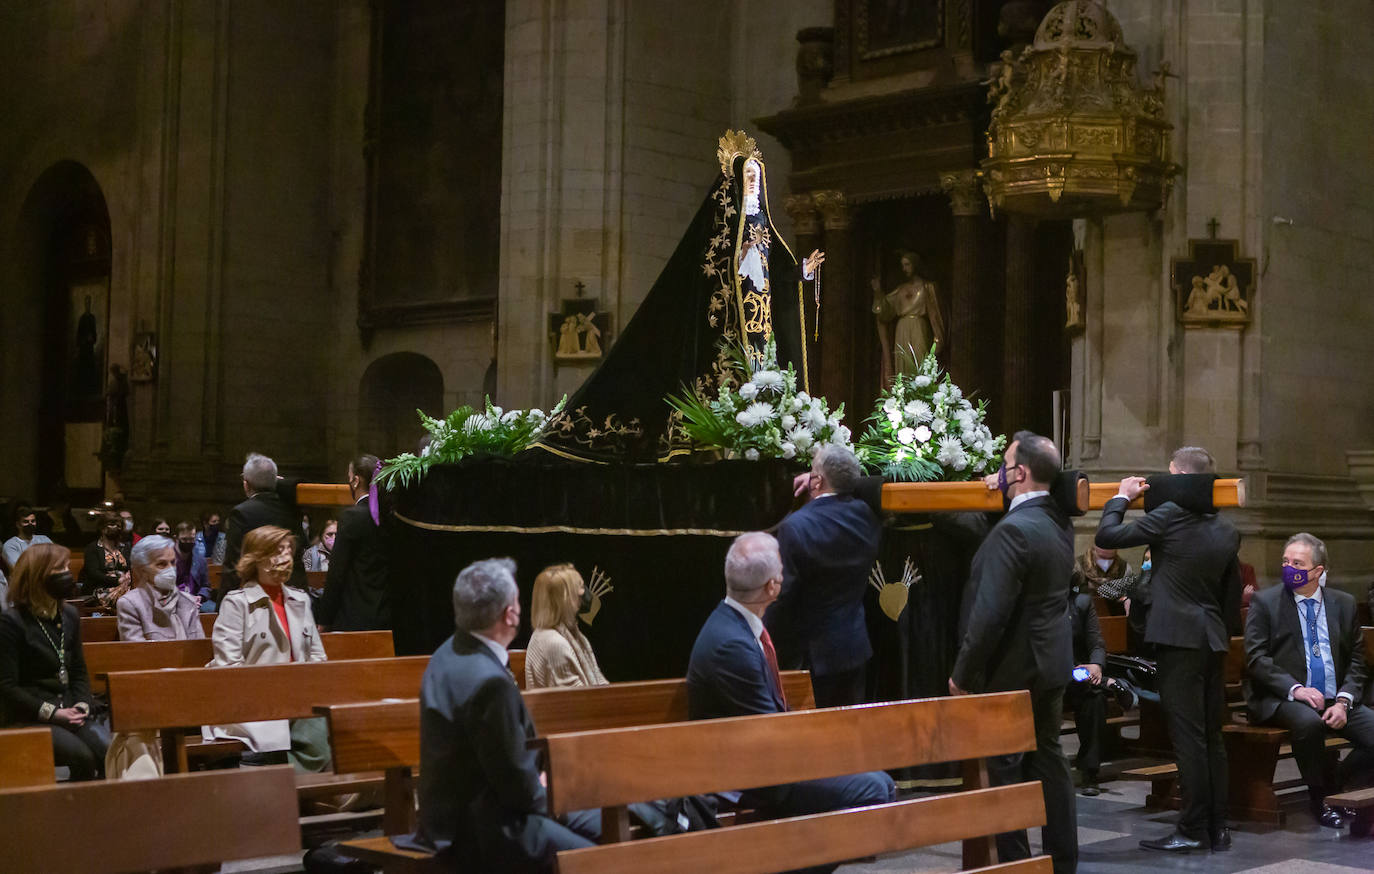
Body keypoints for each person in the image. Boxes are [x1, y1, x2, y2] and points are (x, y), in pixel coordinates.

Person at [687, 531, 895, 861]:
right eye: (781, 570)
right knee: (873, 790)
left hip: (763, 759)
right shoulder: (731, 646)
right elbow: (770, 736)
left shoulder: (736, 624)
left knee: (880, 784)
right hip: (748, 777)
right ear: (772, 586)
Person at [1095, 445, 1241, 853]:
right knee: (1211, 737)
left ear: (1177, 476)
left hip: (1178, 639)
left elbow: (1107, 536)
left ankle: (1193, 829)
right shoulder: (1227, 529)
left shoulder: (1170, 516)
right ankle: (1218, 826)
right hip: (1212, 639)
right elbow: (1229, 596)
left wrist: (1121, 497)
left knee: (1188, 739)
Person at [414, 558, 599, 870]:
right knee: (604, 856)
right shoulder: (489, 682)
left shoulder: (446, 654)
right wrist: (557, 792)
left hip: (449, 822)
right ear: (510, 614)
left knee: (603, 817)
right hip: (487, 832)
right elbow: (519, 791)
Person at [950, 431, 1077, 874]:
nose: (999, 472)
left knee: (1002, 769)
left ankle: (1015, 864)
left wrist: (963, 674)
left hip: (1012, 667)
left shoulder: (1014, 532)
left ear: (1019, 472)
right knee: (1050, 760)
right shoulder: (1059, 521)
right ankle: (1062, 862)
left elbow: (990, 616)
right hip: (1052, 661)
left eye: (1005, 465)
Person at [1244, 533, 1374, 829]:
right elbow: (1256, 658)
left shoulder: (1343, 603)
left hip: (1334, 697)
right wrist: (1297, 689)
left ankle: (1337, 781)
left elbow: (1356, 659)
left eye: (1298, 563)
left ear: (1318, 571)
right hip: (1281, 697)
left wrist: (1343, 700)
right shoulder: (1266, 602)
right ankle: (1320, 797)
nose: (1289, 567)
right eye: (1286, 561)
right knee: (1308, 723)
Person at [764, 444, 881, 707]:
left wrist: (763, 642)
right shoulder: (869, 516)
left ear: (817, 481)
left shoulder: (796, 527)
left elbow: (783, 598)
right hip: (854, 648)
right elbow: (871, 485)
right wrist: (825, 480)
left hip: (813, 658)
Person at [206, 525, 329, 771]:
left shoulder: (300, 599)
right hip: (255, 704)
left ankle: (325, 790)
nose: (285, 557)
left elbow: (317, 657)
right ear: (257, 558)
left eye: (287, 550)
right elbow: (228, 668)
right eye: (276, 551)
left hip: (299, 700)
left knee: (330, 724)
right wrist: (276, 695)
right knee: (289, 732)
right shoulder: (237, 604)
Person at [0, 544, 109, 780]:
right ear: (39, 576)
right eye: (60, 569)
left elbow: (79, 670)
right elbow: (7, 686)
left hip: (70, 709)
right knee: (82, 757)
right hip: (28, 717)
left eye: (67, 567)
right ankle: (72, 812)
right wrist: (52, 713)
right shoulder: (12, 622)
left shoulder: (69, 615)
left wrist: (82, 704)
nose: (68, 574)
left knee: (107, 751)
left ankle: (100, 811)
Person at [316, 454, 391, 632]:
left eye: (349, 478)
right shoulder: (392, 515)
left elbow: (337, 573)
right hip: (389, 614)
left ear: (355, 481)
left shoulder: (352, 517)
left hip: (356, 616)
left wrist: (325, 619)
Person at [220, 452, 307, 594]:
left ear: (246, 485)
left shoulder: (241, 513)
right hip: (293, 590)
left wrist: (222, 603)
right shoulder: (292, 509)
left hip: (258, 592)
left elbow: (234, 564)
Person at [526, 564, 607, 689]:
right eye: (580, 587)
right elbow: (577, 700)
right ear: (564, 598)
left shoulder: (573, 634)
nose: (584, 592)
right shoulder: (554, 643)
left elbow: (599, 681)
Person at [116, 535, 205, 641]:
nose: (171, 569)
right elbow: (137, 652)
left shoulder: (188, 601)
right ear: (143, 570)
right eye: (162, 564)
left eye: (172, 562)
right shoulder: (130, 604)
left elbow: (199, 647)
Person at [1067, 584, 1109, 796]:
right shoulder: (1035, 601)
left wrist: (1096, 664)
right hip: (1045, 675)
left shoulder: (1081, 602)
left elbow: (1096, 643)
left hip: (1075, 675)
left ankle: (1090, 771)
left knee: (1094, 697)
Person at [80, 510, 132, 603]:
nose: (115, 527)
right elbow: (93, 573)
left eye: (118, 525)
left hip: (125, 586)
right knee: (127, 599)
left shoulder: (125, 547)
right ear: (102, 527)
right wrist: (117, 581)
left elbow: (131, 567)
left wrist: (129, 575)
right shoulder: (93, 548)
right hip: (100, 588)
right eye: (112, 524)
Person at [1070, 543, 1132, 614]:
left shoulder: (1123, 568)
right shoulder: (1077, 567)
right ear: (1093, 551)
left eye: (1110, 558)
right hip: (1082, 615)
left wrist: (1126, 599)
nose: (1106, 563)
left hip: (1113, 617)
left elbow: (1126, 595)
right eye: (1102, 557)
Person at [172, 521, 215, 611]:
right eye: (184, 539)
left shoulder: (199, 559)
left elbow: (206, 586)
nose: (188, 542)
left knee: (215, 609)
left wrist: (200, 597)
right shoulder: (168, 559)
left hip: (196, 599)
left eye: (191, 539)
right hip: (174, 600)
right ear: (176, 538)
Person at [2, 506, 54, 575]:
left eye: (33, 521)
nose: (30, 524)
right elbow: (18, 569)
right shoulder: (10, 545)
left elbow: (56, 561)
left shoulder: (44, 539)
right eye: (26, 521)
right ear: (18, 525)